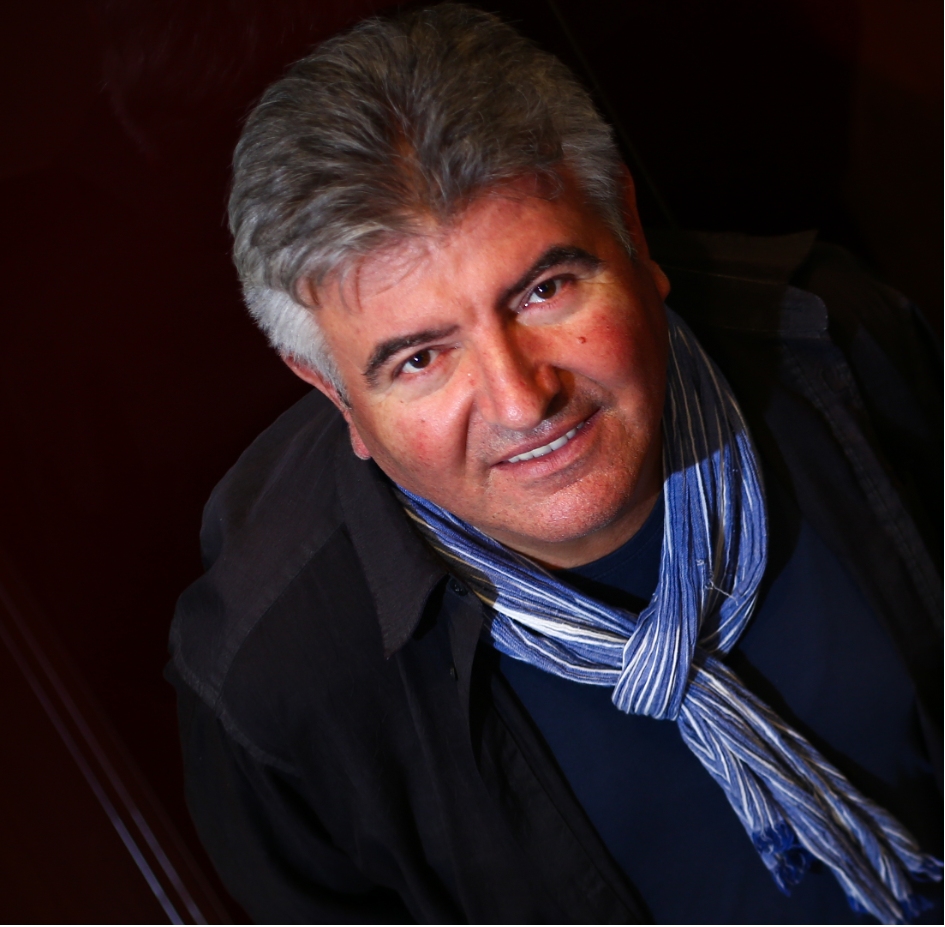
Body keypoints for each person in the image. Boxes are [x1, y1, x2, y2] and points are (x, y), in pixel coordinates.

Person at [167, 5, 943, 923]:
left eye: (543, 290)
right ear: (336, 394)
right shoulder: (275, 681)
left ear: (633, 239)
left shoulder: (839, 346)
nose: (519, 399)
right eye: (420, 357)